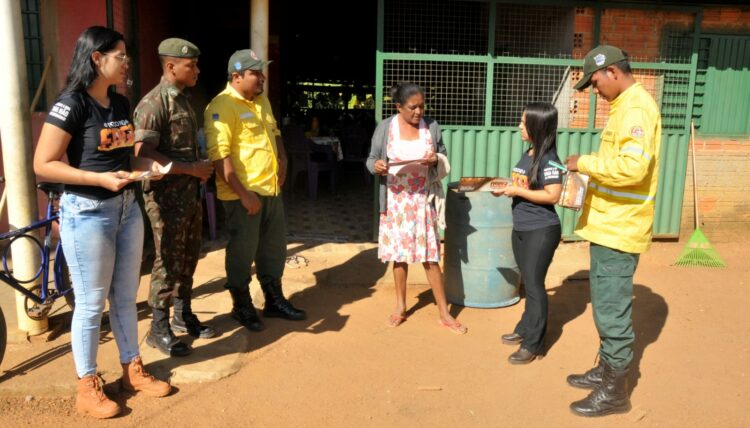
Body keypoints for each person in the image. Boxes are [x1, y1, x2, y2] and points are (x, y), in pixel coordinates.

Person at [33, 26, 171, 419]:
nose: (127, 63)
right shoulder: (71, 104)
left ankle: (132, 368)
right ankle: (87, 383)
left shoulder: (120, 104)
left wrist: (151, 167)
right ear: (97, 58)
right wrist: (98, 180)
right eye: (120, 56)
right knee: (91, 303)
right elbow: (43, 163)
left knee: (126, 297)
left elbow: (124, 159)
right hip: (88, 212)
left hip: (127, 208)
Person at [565, 45, 661, 417]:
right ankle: (606, 370)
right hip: (610, 226)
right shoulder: (626, 107)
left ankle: (615, 393)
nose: (594, 91)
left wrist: (585, 163)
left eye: (595, 82)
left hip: (620, 229)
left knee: (611, 313)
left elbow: (632, 169)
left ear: (613, 73)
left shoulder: (636, 108)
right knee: (606, 308)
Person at [204, 49, 306, 332]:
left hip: (270, 189)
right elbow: (220, 156)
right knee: (242, 251)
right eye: (255, 73)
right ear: (236, 76)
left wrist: (283, 158)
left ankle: (273, 300)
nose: (262, 78)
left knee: (274, 248)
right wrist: (244, 194)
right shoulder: (221, 106)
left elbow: (274, 133)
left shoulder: (261, 101)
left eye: (262, 72)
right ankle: (241, 305)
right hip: (242, 195)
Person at [133, 38, 215, 357]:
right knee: (167, 260)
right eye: (190, 65)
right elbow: (141, 155)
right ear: (171, 67)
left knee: (189, 257)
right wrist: (190, 169)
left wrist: (197, 168)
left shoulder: (183, 100)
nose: (196, 70)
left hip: (189, 195)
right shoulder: (154, 104)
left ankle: (182, 315)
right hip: (166, 200)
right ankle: (158, 328)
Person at [366, 82, 466, 334]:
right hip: (395, 201)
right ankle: (400, 306)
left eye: (422, 106)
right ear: (398, 106)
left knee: (430, 256)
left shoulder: (431, 127)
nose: (418, 111)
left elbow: (442, 158)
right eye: (412, 107)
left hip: (422, 201)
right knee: (399, 257)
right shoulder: (385, 128)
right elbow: (370, 160)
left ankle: (444, 312)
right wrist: (376, 166)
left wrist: (434, 160)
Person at [493, 102, 562, 364]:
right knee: (529, 285)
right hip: (521, 226)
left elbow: (552, 195)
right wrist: (507, 186)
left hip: (541, 230)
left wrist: (517, 191)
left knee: (534, 286)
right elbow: (523, 183)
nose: (519, 126)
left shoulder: (549, 159)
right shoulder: (529, 152)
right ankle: (525, 328)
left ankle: (534, 344)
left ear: (537, 125)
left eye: (523, 123)